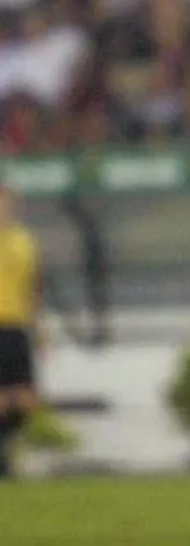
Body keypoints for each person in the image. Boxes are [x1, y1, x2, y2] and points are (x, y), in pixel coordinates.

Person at [0, 185, 40, 479]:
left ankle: (6, 446)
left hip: (18, 325)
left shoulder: (25, 241)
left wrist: (38, 326)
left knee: (26, 398)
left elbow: (33, 287)